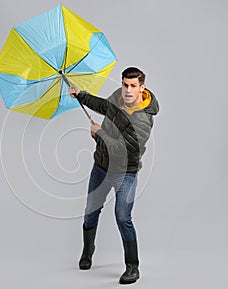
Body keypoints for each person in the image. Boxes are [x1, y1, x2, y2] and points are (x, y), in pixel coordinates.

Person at [68, 67, 159, 284]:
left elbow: (121, 150)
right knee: (91, 211)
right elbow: (103, 106)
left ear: (142, 88)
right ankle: (87, 253)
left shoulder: (142, 121)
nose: (127, 91)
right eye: (125, 85)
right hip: (101, 166)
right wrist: (81, 95)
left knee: (122, 216)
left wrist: (98, 133)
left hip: (125, 172)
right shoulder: (119, 98)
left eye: (133, 86)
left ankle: (132, 268)